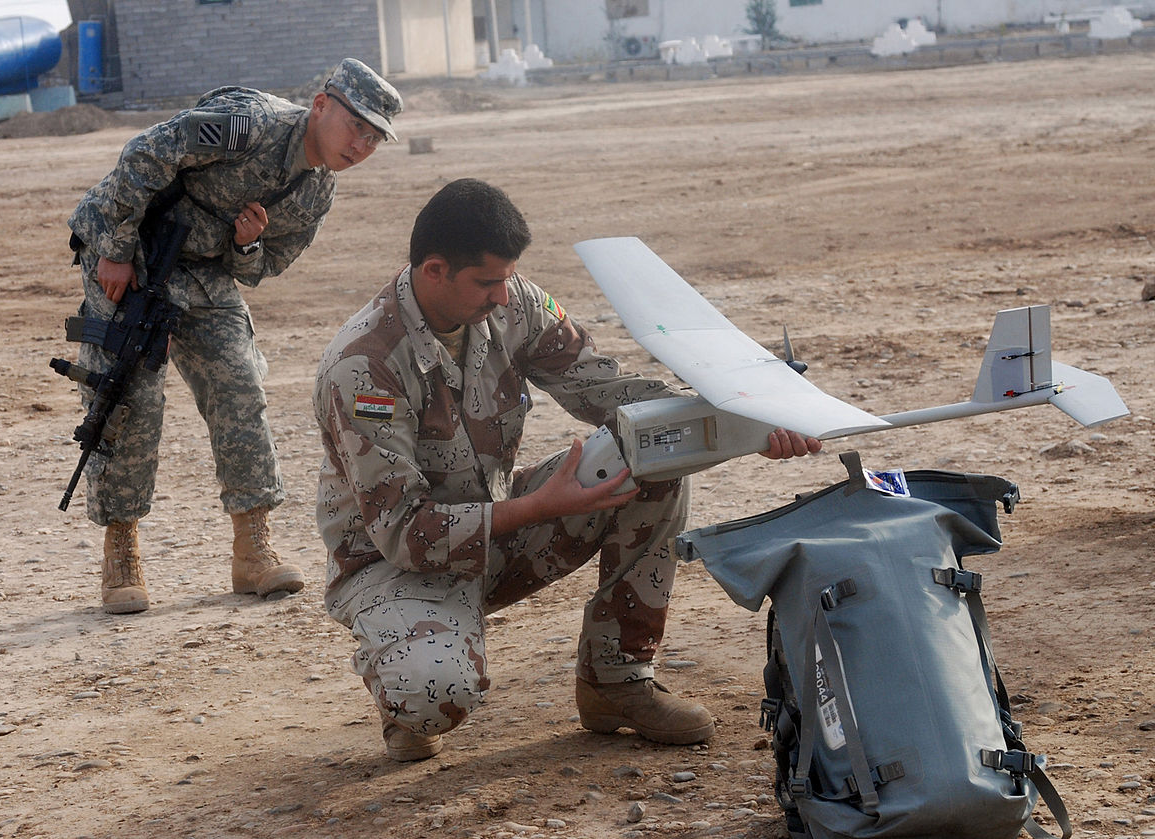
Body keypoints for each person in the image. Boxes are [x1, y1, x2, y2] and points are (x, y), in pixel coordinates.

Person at [312, 178, 821, 761]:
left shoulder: (514, 304)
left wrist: (744, 421)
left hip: (500, 523)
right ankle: (401, 675)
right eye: (487, 282)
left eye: (508, 278)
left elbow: (610, 393)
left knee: (651, 460)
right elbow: (406, 533)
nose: (503, 296)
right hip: (394, 565)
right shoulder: (364, 366)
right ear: (434, 271)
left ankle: (616, 681)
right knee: (434, 696)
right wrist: (539, 507)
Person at [66, 58, 403, 615]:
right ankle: (121, 550)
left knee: (240, 387)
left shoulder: (318, 192)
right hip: (132, 248)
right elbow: (144, 154)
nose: (361, 145)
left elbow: (265, 267)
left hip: (203, 270)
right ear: (321, 105)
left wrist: (248, 245)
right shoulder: (246, 124)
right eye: (355, 126)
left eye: (374, 138)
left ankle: (253, 548)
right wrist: (116, 249)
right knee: (130, 397)